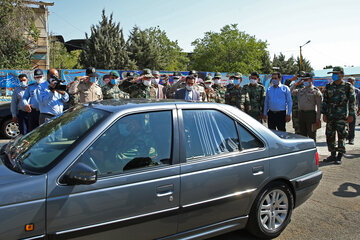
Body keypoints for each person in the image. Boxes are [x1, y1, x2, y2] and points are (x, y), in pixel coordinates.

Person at [322, 66, 356, 164]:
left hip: (342, 116)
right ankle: (332, 154)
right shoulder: (329, 86)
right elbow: (325, 101)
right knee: (329, 135)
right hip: (330, 116)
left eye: (336, 74)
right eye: (333, 74)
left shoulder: (347, 86)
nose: (334, 75)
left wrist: (351, 115)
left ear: (342, 74)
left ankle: (340, 155)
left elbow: (352, 102)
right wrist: (324, 114)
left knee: (342, 135)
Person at [290, 72, 322, 141]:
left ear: (311, 80)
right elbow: (289, 92)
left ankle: (313, 151)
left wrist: (318, 118)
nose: (305, 81)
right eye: (303, 80)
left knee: (311, 135)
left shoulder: (315, 91)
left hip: (311, 115)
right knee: (302, 136)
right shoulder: (300, 90)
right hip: (301, 114)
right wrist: (295, 84)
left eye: (306, 80)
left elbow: (319, 106)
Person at [345, 77, 359, 144]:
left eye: (351, 81)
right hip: (344, 110)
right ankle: (346, 137)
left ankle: (351, 138)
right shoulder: (344, 90)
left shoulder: (357, 91)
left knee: (352, 125)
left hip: (353, 110)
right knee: (344, 125)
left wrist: (359, 109)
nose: (350, 82)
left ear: (354, 82)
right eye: (348, 81)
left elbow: (359, 101)